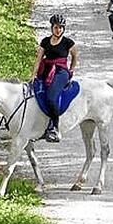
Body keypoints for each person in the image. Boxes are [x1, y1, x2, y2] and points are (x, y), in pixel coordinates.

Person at [30, 14, 79, 143]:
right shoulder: (45, 41)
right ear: (52, 28)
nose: (59, 30)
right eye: (56, 27)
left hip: (61, 71)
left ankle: (54, 127)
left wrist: (71, 69)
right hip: (46, 70)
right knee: (35, 94)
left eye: (61, 27)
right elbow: (39, 59)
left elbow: (75, 56)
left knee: (51, 97)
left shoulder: (68, 42)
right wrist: (34, 74)